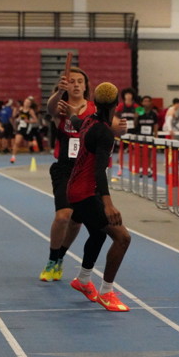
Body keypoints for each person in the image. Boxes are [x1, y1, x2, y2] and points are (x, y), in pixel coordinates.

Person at [65, 82, 132, 311]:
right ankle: (106, 293)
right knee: (122, 238)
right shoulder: (104, 133)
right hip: (85, 193)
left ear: (95, 102)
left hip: (75, 189)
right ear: (117, 104)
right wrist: (108, 204)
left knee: (98, 233)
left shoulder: (88, 121)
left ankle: (83, 280)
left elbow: (76, 122)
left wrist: (72, 113)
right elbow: (99, 171)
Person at [39, 65, 95, 282]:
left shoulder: (93, 109)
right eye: (72, 81)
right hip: (64, 169)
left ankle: (61, 256)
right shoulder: (60, 108)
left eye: (80, 81)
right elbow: (50, 108)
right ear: (65, 85)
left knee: (76, 221)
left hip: (86, 170)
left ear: (86, 86)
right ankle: (51, 259)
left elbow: (110, 126)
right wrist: (59, 91)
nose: (77, 85)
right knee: (63, 216)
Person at [10, 96, 39, 163]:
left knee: (30, 144)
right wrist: (15, 113)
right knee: (17, 142)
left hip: (27, 129)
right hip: (21, 128)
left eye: (28, 102)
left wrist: (28, 121)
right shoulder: (20, 109)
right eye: (25, 102)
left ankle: (34, 145)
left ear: (30, 104)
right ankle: (13, 157)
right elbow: (15, 116)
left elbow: (36, 120)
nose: (26, 103)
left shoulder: (30, 111)